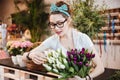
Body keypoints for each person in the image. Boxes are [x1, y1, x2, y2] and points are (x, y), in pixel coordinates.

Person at [23, 1, 104, 80]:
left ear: (68, 20)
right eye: (52, 24)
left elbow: (100, 67)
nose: (56, 28)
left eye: (59, 23)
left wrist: (86, 78)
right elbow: (24, 58)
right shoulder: (52, 41)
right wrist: (30, 55)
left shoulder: (82, 39)